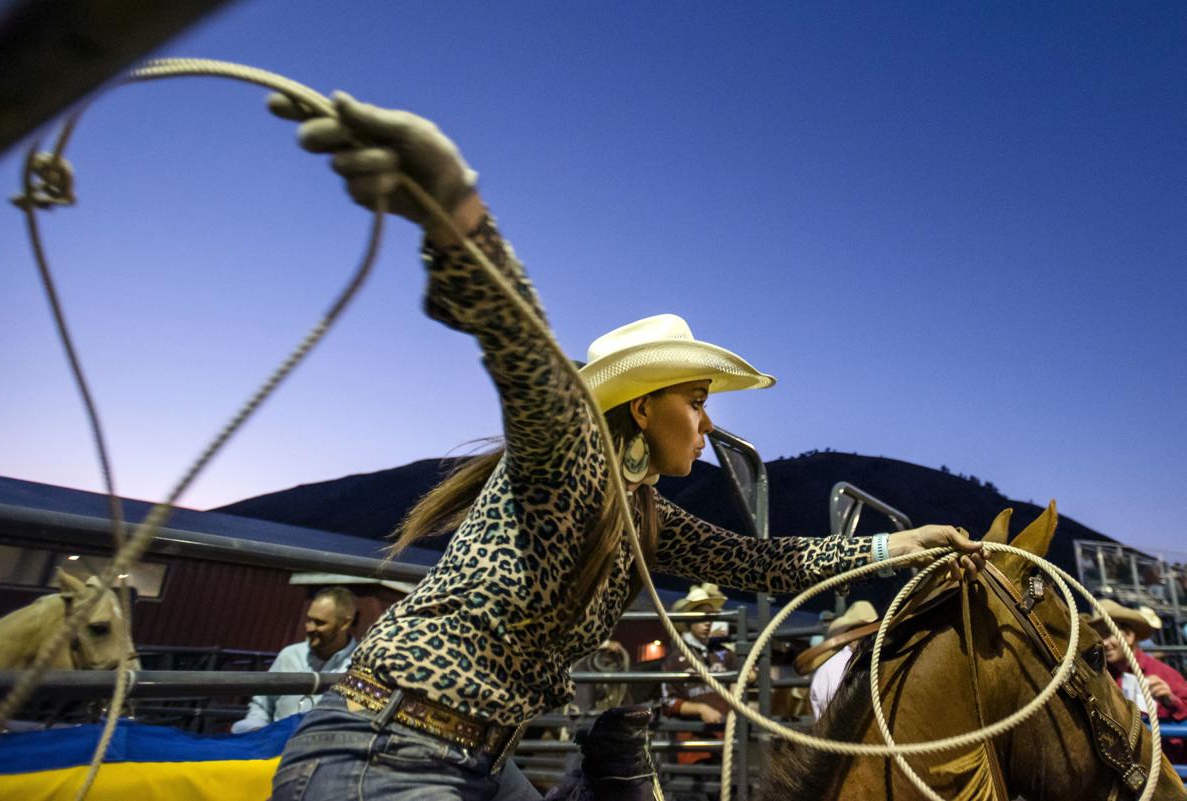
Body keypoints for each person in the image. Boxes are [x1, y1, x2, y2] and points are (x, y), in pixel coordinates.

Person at [265, 92, 986, 801]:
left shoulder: (641, 515)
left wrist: (899, 547)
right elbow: (532, 364)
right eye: (696, 403)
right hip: (384, 752)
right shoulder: (568, 455)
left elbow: (763, 560)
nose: (706, 425)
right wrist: (460, 214)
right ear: (643, 407)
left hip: (470, 758)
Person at [232, 586, 358, 733]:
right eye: (309, 619)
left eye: (319, 623)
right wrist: (259, 734)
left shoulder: (359, 667)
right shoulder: (289, 655)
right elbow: (262, 705)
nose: (309, 628)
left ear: (345, 623)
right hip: (274, 749)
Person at [1089, 598, 1187, 763]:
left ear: (1129, 635)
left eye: (1108, 634)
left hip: (1168, 766)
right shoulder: (1099, 676)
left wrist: (1170, 700)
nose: (1104, 643)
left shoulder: (1163, 674)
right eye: (1099, 637)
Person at [661, 583, 734, 766]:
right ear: (689, 620)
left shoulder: (723, 653)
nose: (707, 622)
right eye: (701, 617)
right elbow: (668, 702)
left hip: (724, 743)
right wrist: (701, 709)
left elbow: (749, 672)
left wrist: (747, 676)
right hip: (694, 746)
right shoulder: (675, 658)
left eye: (709, 617)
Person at [804, 600, 878, 720]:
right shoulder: (837, 666)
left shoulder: (836, 663)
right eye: (862, 630)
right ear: (849, 633)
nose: (868, 637)